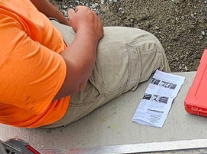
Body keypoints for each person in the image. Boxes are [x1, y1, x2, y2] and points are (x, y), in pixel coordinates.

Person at [0, 0, 169, 128]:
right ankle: (162, 126)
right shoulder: (5, 54)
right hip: (56, 98)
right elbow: (73, 80)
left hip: (31, 49)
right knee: (149, 48)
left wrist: (65, 26)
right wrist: (87, 30)